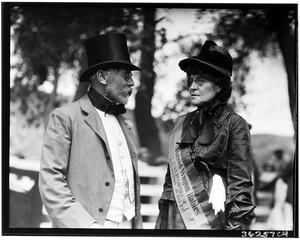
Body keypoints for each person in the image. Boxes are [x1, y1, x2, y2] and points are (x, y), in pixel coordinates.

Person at [39, 32, 143, 229]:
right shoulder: (65, 117)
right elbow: (51, 184)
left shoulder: (124, 123)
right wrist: (87, 228)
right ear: (102, 77)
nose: (132, 83)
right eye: (126, 75)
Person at [155, 40, 256, 230]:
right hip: (176, 215)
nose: (192, 86)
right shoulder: (181, 123)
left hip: (213, 214)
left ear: (219, 86)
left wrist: (235, 228)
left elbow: (240, 184)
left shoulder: (235, 124)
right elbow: (170, 182)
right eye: (191, 80)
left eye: (200, 81)